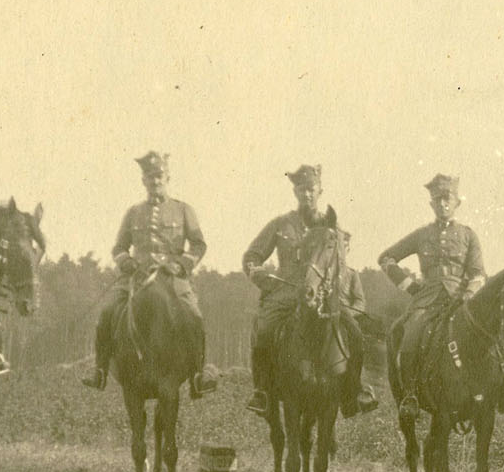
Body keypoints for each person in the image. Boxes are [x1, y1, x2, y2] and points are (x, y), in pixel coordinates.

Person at [242, 165, 375, 418]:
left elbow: (340, 265)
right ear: (295, 191)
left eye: (311, 189)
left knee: (356, 334)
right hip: (285, 293)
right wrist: (258, 273)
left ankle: (354, 391)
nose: (307, 195)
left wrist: (332, 288)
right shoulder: (281, 224)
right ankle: (262, 391)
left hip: (324, 296)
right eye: (301, 190)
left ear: (320, 191)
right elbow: (252, 255)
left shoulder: (331, 227)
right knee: (264, 330)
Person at [81, 152, 217, 397]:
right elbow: (118, 248)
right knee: (107, 313)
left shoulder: (183, 210)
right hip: (137, 279)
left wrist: (181, 264)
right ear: (143, 181)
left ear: (168, 178)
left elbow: (199, 245)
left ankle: (199, 375)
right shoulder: (133, 213)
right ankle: (99, 370)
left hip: (173, 279)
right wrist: (127, 262)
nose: (155, 182)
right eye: (150, 177)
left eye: (159, 177)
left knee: (194, 316)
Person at [379, 173, 487, 417]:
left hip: (460, 299)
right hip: (427, 300)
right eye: (437, 199)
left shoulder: (469, 235)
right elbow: (386, 258)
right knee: (409, 336)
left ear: (457, 202)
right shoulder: (421, 235)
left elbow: (479, 273)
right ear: (431, 204)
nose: (443, 204)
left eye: (447, 199)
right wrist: (411, 287)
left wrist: (468, 293)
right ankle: (410, 395)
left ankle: (491, 392)